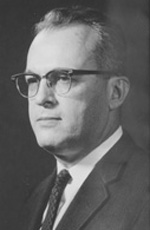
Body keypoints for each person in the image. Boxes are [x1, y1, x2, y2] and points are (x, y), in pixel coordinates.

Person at [11, 6, 149, 230]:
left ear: (115, 93)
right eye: (33, 80)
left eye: (63, 78)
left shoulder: (144, 191)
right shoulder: (36, 198)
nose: (42, 98)